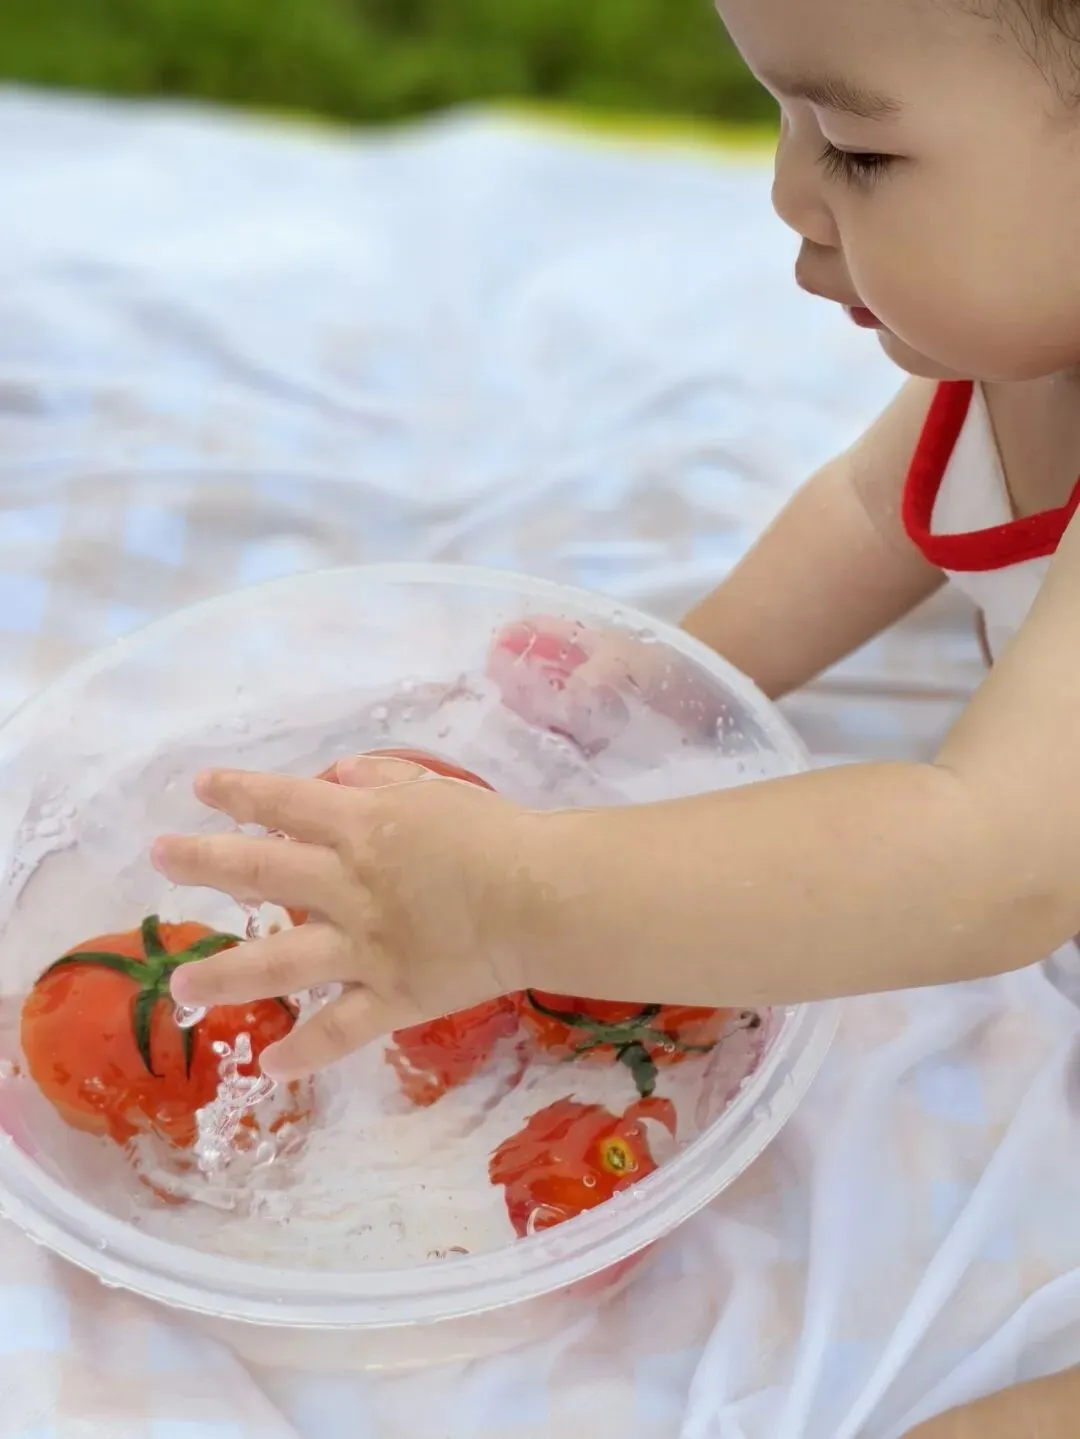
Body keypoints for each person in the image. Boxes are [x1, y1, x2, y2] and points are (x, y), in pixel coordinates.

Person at [153, 1, 1080, 1431]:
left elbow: (991, 861)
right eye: (786, 118)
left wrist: (513, 900)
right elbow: (875, 510)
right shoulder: (1019, 354)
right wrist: (674, 674)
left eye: (855, 147)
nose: (787, 191)